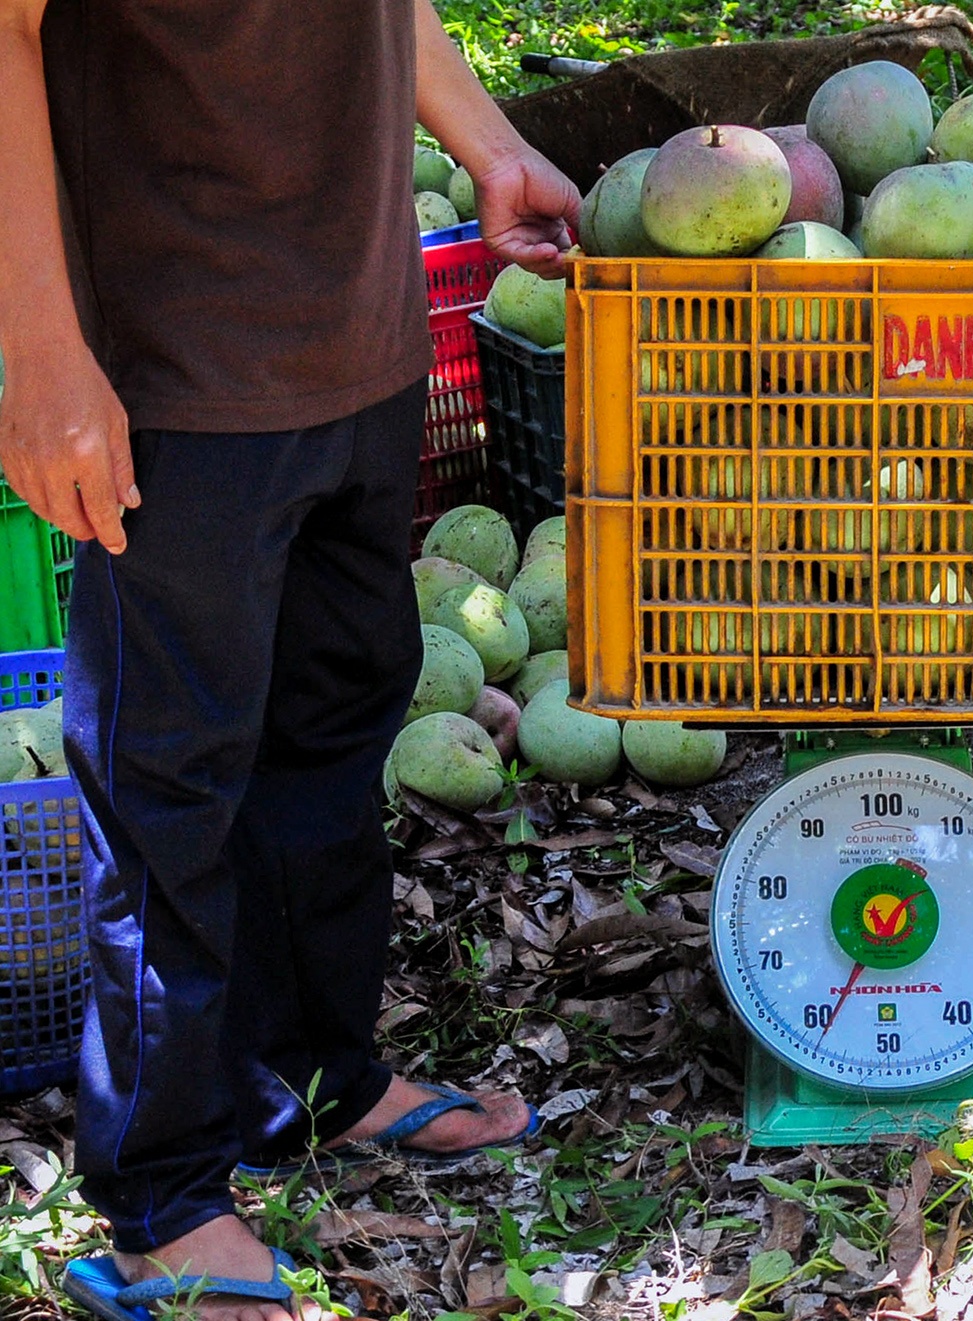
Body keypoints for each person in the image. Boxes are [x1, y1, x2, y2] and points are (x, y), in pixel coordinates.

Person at [0, 1, 581, 1317]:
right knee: (166, 788)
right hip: (181, 364)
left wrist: (486, 142)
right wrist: (40, 355)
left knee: (334, 720)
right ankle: (160, 1200)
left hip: (358, 334)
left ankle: (314, 1074)